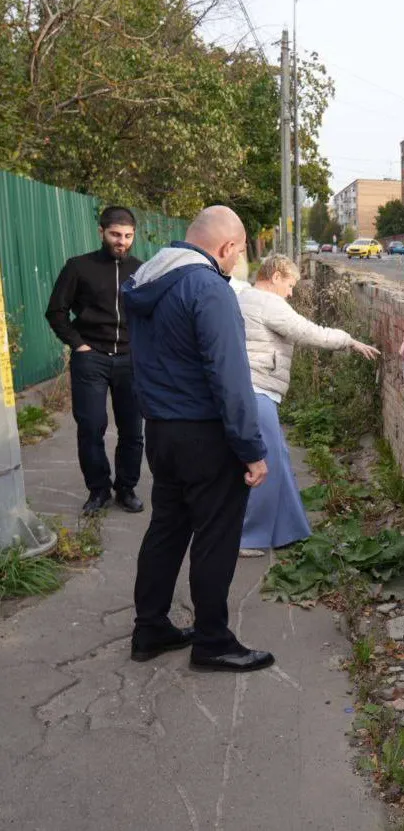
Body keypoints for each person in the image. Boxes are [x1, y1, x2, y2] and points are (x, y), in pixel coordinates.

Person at [121, 205, 273, 672]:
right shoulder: (208, 288)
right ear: (226, 247)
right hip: (205, 435)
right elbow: (230, 380)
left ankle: (150, 628)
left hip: (161, 431)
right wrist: (251, 449)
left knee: (167, 527)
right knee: (215, 537)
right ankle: (212, 641)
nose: (237, 262)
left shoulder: (147, 277)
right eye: (239, 252)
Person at [236, 254, 379, 555]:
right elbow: (307, 331)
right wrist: (348, 341)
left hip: (252, 388)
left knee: (280, 457)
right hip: (257, 389)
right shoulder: (268, 303)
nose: (290, 293)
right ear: (275, 276)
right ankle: (247, 536)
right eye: (289, 285)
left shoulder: (245, 296)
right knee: (267, 462)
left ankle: (289, 528)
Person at [45, 206, 145, 515]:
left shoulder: (142, 271)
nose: (122, 242)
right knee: (91, 426)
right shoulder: (78, 267)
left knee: (132, 429)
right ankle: (98, 490)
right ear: (101, 232)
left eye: (128, 236)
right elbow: (56, 311)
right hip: (92, 358)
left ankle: (126, 489)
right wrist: (77, 344)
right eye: (116, 234)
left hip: (130, 359)